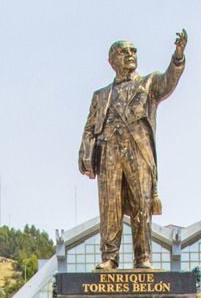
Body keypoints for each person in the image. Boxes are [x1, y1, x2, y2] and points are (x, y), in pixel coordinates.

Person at [77, 30, 187, 270]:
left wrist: (177, 57)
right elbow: (89, 127)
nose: (130, 55)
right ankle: (109, 256)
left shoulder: (148, 83)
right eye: (123, 51)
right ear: (111, 60)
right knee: (109, 207)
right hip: (108, 154)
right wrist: (84, 153)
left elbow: (169, 81)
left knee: (141, 205)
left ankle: (143, 258)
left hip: (138, 152)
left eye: (133, 51)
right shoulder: (101, 95)